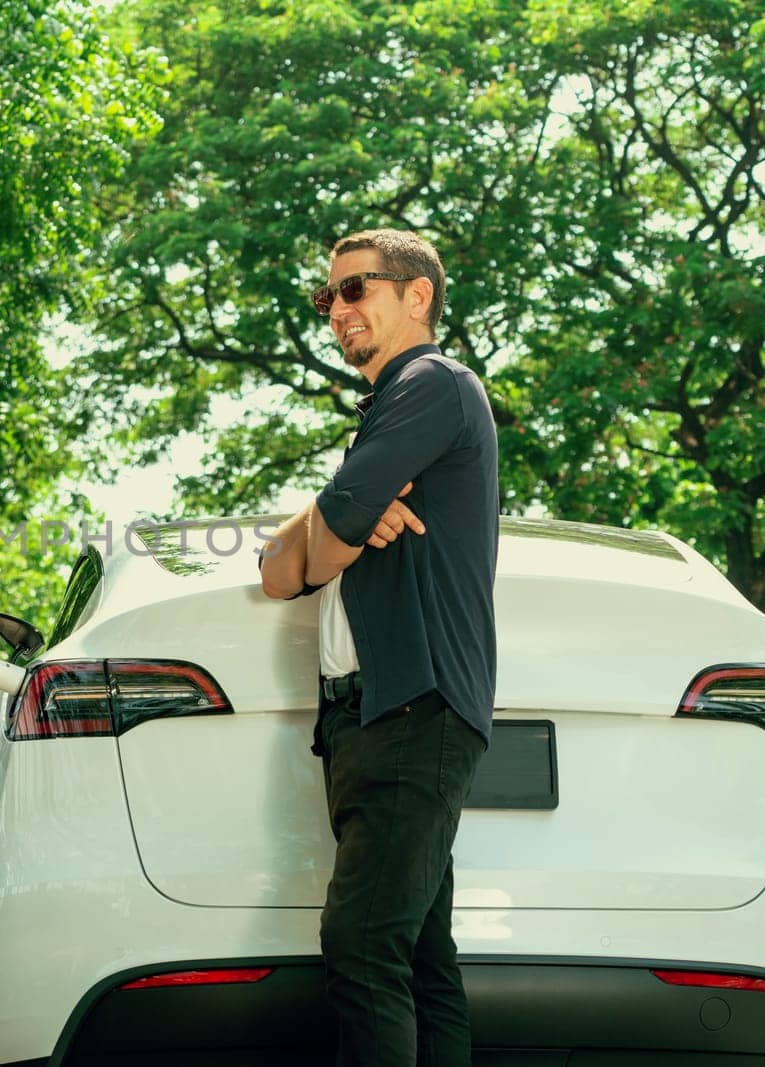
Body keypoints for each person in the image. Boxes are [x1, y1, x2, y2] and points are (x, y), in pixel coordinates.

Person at [259, 229, 499, 1066]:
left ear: (417, 296)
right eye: (328, 297)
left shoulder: (430, 383)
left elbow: (319, 553)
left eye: (356, 288)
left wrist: (338, 526)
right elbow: (278, 571)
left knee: (361, 943)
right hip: (372, 717)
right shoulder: (386, 416)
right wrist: (343, 511)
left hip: (410, 706)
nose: (338, 310)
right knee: (421, 961)